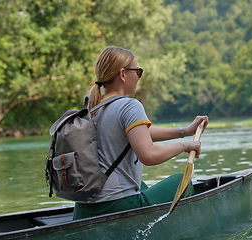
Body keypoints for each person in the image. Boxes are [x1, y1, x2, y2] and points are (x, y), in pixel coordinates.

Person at [73, 46, 208, 220]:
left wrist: (186, 131)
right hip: (115, 206)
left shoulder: (93, 107)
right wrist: (184, 145)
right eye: (137, 71)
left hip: (83, 209)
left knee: (141, 185)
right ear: (123, 74)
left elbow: (141, 132)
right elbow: (149, 155)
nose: (138, 76)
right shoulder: (129, 105)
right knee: (180, 181)